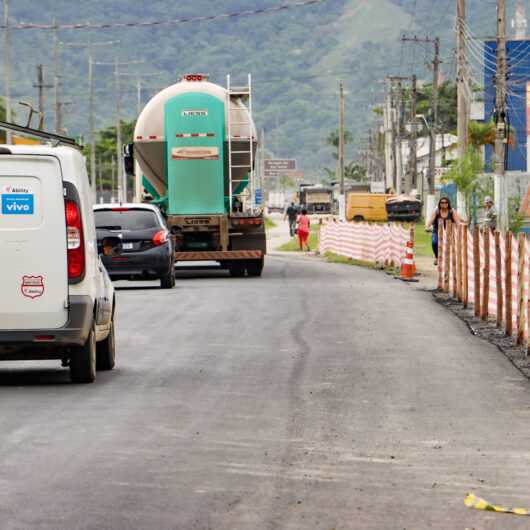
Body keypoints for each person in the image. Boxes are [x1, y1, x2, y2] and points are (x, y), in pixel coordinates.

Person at [426, 197, 462, 265]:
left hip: (449, 232)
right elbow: (431, 220)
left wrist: (459, 227)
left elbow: (458, 222)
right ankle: (437, 257)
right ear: (439, 204)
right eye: (442, 202)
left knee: (452, 245)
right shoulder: (437, 211)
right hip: (437, 231)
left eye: (445, 202)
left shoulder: (452, 211)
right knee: (434, 242)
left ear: (448, 204)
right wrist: (427, 226)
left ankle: (451, 259)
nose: (444, 204)